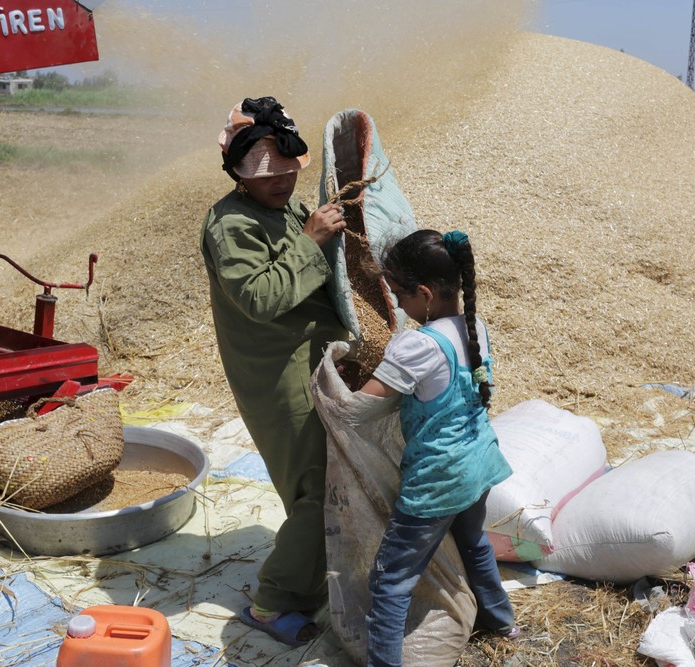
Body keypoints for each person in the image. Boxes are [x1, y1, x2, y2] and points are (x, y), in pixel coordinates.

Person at [200, 96, 348, 647]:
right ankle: (272, 603)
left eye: (287, 173)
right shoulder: (230, 224)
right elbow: (260, 298)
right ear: (238, 174)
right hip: (276, 372)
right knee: (314, 488)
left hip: (315, 355)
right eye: (267, 178)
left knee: (331, 478)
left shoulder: (282, 207)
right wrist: (310, 241)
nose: (281, 184)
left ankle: (311, 578)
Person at [352, 229, 521, 666]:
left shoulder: (417, 343)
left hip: (438, 479)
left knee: (390, 580)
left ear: (424, 294)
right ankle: (502, 622)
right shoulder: (473, 325)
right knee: (474, 542)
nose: (397, 305)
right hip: (478, 460)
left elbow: (364, 406)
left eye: (399, 295)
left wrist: (332, 388)